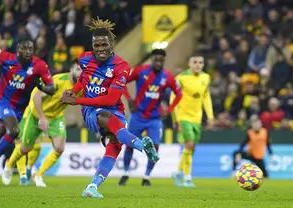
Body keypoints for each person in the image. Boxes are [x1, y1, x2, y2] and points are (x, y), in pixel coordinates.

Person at [60, 17, 159, 198]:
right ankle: (142, 146)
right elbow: (84, 80)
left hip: (115, 108)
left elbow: (110, 99)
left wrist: (77, 100)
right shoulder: (84, 59)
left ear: (111, 44)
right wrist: (74, 91)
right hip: (91, 112)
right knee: (105, 116)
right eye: (96, 46)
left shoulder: (121, 67)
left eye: (104, 45)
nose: (100, 49)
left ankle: (92, 187)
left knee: (115, 146)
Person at [0, 39, 56, 188]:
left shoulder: (39, 65)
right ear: (18, 50)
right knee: (13, 130)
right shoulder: (6, 58)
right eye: (24, 49)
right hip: (2, 101)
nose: (28, 52)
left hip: (20, 108)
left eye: (30, 49)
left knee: (0, 133)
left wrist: (41, 86)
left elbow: (52, 89)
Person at [1, 63, 82, 187]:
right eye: (78, 69)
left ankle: (37, 175)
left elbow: (86, 103)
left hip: (56, 116)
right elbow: (37, 95)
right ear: (71, 70)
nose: (81, 72)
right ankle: (10, 164)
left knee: (59, 148)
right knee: (25, 148)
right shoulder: (58, 81)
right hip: (36, 113)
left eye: (83, 69)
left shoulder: (81, 87)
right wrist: (42, 118)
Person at [118, 49, 182, 186]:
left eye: (161, 60)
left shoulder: (168, 77)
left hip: (155, 118)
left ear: (164, 61)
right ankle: (125, 173)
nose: (158, 63)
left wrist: (169, 110)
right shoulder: (140, 71)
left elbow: (179, 93)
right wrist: (129, 99)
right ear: (151, 59)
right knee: (130, 145)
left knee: (155, 147)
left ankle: (147, 177)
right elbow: (121, 81)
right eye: (156, 60)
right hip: (137, 116)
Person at [171, 55, 214, 187]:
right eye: (195, 62)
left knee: (191, 148)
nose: (198, 65)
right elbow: (173, 98)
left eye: (200, 62)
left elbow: (206, 97)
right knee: (189, 145)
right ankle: (187, 178)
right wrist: (176, 119)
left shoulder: (206, 78)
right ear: (189, 64)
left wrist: (210, 116)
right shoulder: (180, 78)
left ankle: (178, 172)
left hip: (197, 118)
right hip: (184, 117)